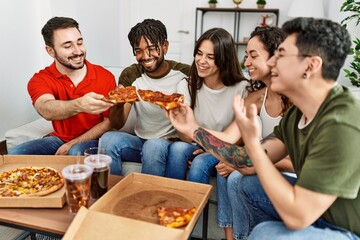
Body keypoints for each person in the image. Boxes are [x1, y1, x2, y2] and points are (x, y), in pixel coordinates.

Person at [167, 17, 360, 239]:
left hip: (346, 230)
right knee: (244, 183)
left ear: (310, 65)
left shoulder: (341, 122)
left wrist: (253, 144)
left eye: (282, 56)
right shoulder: (297, 116)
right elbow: (246, 162)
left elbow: (299, 215)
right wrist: (192, 129)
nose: (272, 64)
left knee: (264, 232)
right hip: (317, 215)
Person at [213, 26, 294, 240]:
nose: (246, 62)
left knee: (238, 177)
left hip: (298, 181)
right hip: (267, 170)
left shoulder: (299, 99)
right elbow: (227, 138)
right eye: (246, 55)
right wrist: (190, 126)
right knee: (229, 171)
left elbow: (300, 163)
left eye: (253, 55)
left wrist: (247, 163)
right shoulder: (258, 97)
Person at [8, 16, 116, 156]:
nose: (78, 51)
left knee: (74, 152)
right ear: (50, 51)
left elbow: (110, 122)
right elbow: (45, 109)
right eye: (68, 46)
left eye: (80, 42)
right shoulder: (40, 79)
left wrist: (73, 143)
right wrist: (79, 105)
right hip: (59, 139)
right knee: (16, 154)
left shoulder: (104, 76)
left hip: (94, 139)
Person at [100, 19, 190, 176]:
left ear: (165, 46)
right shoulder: (131, 74)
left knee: (153, 145)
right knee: (108, 139)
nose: (145, 56)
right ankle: (113, 196)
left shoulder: (185, 73)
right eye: (138, 50)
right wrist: (118, 103)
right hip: (140, 141)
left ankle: (149, 199)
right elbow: (117, 123)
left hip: (171, 143)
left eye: (151, 49)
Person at [165, 28, 248, 183]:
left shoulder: (241, 88)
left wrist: (208, 147)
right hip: (194, 145)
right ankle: (172, 204)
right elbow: (185, 137)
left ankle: (196, 207)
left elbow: (240, 137)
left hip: (224, 150)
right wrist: (178, 120)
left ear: (224, 59)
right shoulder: (187, 85)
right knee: (177, 149)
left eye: (210, 57)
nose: (201, 61)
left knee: (200, 162)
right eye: (199, 53)